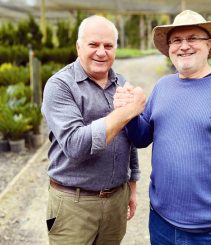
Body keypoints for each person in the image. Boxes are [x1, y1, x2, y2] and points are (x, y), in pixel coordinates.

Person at [114, 10, 211, 245]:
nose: (184, 46)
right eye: (176, 40)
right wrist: (130, 113)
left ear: (209, 44)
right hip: (161, 223)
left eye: (193, 38)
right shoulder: (163, 86)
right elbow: (143, 137)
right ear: (169, 48)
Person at [41, 15, 145, 245]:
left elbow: (128, 139)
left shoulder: (120, 81)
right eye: (93, 44)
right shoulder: (59, 86)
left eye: (108, 46)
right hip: (73, 204)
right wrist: (126, 112)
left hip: (116, 199)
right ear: (79, 47)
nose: (101, 52)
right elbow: (76, 145)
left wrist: (132, 186)